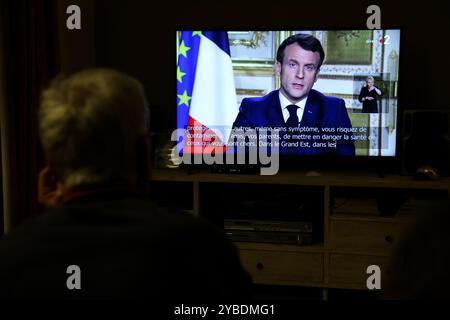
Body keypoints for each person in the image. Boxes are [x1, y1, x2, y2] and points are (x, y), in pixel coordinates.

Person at [0, 68, 252, 300]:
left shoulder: (13, 255)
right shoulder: (204, 249)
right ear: (144, 153)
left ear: (51, 167)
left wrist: (59, 216)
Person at [231, 33, 355, 156]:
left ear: (316, 74)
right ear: (278, 68)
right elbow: (236, 161)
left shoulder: (333, 110)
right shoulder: (252, 110)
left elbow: (345, 171)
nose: (300, 75)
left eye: (309, 67)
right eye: (292, 65)